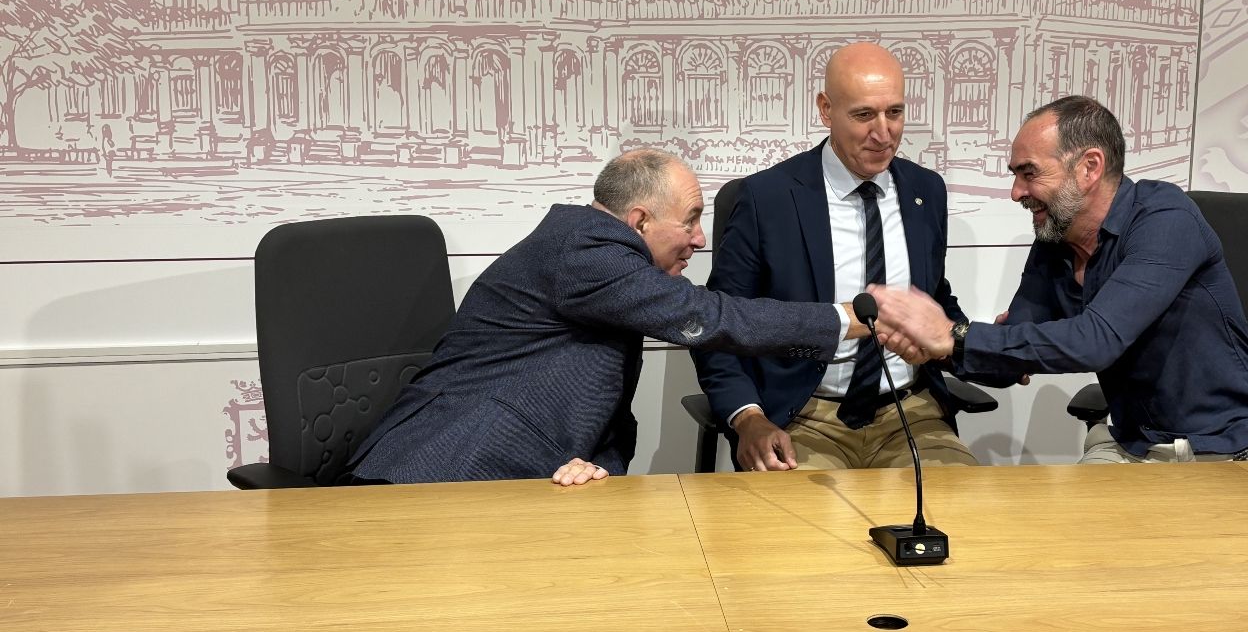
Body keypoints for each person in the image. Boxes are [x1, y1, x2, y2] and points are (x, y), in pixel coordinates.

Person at [347, 149, 870, 486]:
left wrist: (602, 467)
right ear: (639, 220)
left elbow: (602, 400)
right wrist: (841, 320)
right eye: (690, 220)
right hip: (441, 471)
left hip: (514, 481)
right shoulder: (583, 251)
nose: (699, 239)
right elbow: (703, 316)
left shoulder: (606, 261)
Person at [871, 95, 1248, 464]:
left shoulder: (1166, 219)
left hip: (1235, 446)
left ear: (1089, 167)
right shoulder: (1054, 243)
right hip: (1137, 446)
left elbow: (1096, 340)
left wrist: (954, 336)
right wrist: (931, 346)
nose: (1016, 192)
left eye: (1029, 173)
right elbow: (1015, 353)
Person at [691, 42, 978, 471]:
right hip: (802, 416)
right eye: (864, 115)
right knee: (805, 532)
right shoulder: (767, 198)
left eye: (894, 113)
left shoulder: (926, 191)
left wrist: (988, 350)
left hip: (910, 414)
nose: (884, 133)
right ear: (826, 110)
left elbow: (935, 300)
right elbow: (719, 324)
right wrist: (747, 417)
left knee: (964, 518)